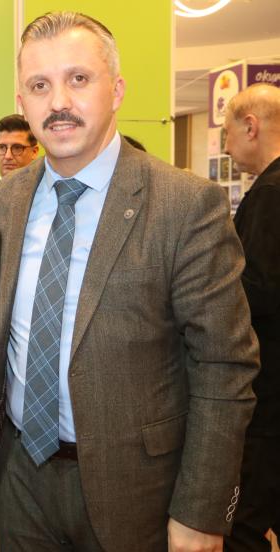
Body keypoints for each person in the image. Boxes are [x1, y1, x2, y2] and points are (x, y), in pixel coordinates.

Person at [0, 12, 260, 552]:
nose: (58, 101)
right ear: (23, 101)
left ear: (117, 90)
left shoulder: (185, 204)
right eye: (39, 86)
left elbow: (224, 366)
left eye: (78, 79)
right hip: (21, 479)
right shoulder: (6, 201)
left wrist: (202, 511)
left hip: (138, 489)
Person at [223, 83, 280, 552]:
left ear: (250, 126)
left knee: (242, 525)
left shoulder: (270, 194)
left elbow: (257, 290)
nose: (225, 146)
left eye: (227, 132)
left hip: (268, 389)